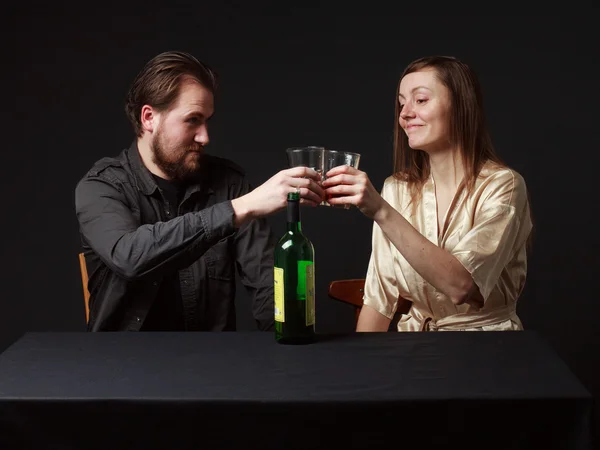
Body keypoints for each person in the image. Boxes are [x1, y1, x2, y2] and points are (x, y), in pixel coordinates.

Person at [75, 50, 324, 331]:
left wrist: (288, 341)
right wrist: (241, 208)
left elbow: (267, 285)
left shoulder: (229, 183)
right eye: (192, 120)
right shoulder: (101, 186)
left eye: (207, 120)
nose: (205, 137)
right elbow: (130, 256)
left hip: (211, 365)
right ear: (148, 118)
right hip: (123, 366)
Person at [322, 55, 533, 332]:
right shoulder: (396, 188)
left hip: (486, 349)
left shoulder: (504, 186)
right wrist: (362, 368)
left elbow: (461, 285)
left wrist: (381, 210)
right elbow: (379, 298)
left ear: (460, 106)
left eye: (420, 100)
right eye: (401, 103)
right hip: (415, 348)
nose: (405, 113)